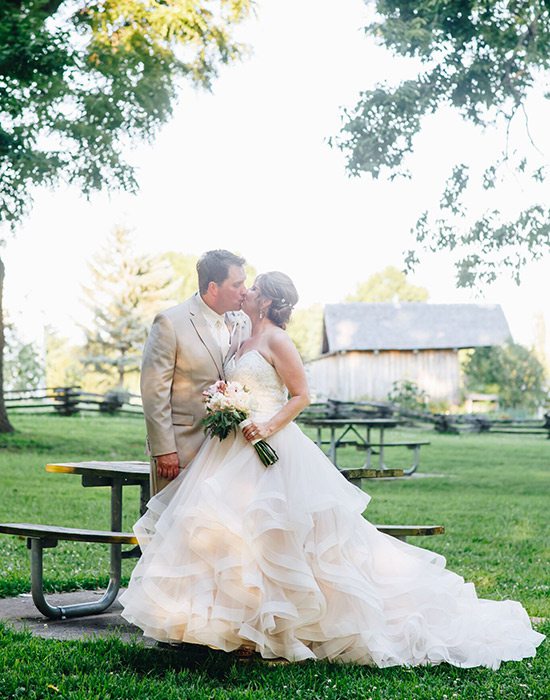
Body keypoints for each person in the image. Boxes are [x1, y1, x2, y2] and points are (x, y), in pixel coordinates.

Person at [121, 271, 544, 668]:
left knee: (281, 538)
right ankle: (239, 631)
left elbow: (301, 394)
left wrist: (266, 426)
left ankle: (284, 630)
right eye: (241, 285)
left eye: (252, 289)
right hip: (231, 447)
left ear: (266, 300)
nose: (245, 292)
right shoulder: (240, 338)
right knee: (234, 535)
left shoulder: (277, 340)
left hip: (271, 445)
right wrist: (229, 406)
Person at [140, 249, 250, 495]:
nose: (245, 290)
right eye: (237, 284)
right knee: (173, 528)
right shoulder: (170, 323)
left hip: (230, 453)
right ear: (213, 287)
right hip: (182, 449)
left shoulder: (243, 322)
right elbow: (153, 391)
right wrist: (164, 449)